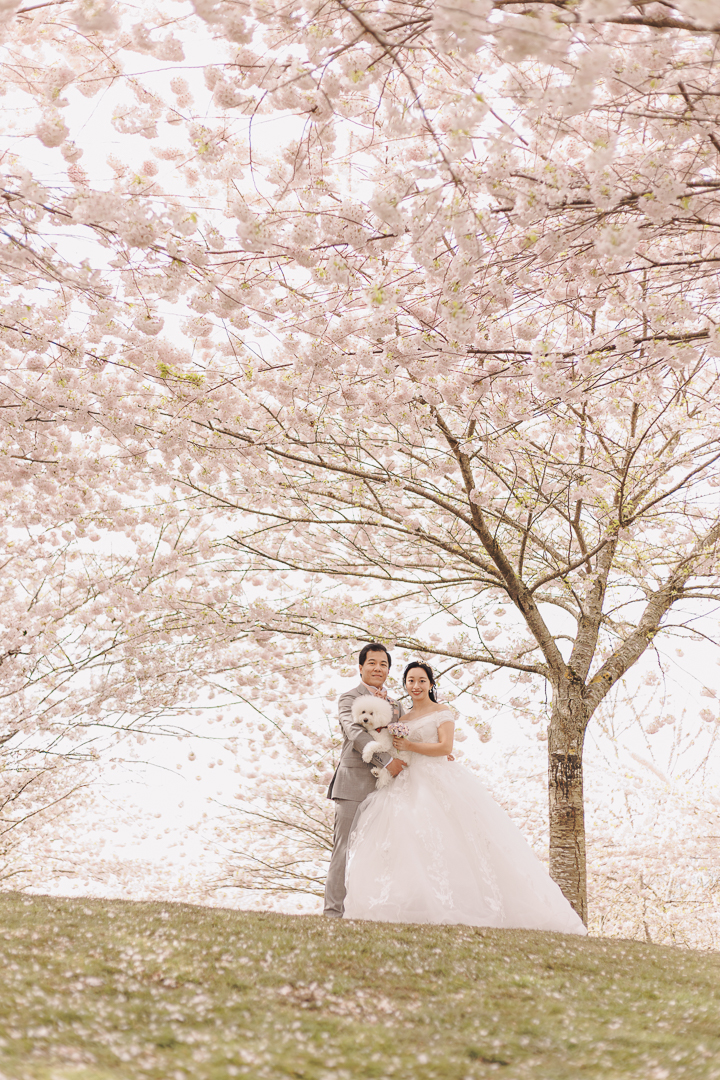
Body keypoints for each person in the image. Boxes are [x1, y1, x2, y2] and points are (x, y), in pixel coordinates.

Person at [342, 660, 587, 934]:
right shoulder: (402, 718)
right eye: (411, 681)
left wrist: (413, 745)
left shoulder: (442, 711)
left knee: (453, 839)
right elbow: (396, 748)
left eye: (422, 680)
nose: (416, 685)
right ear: (405, 685)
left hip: (436, 778)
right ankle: (415, 905)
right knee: (407, 841)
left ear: (431, 684)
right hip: (406, 780)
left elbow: (445, 746)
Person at [323, 643, 406, 918]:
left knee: (385, 852)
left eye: (383, 664)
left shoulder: (396, 705)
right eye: (372, 663)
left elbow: (404, 741)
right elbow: (355, 734)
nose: (378, 668)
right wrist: (386, 762)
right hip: (353, 784)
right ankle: (333, 914)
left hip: (388, 786)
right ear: (361, 667)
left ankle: (375, 913)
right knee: (343, 850)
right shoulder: (348, 699)